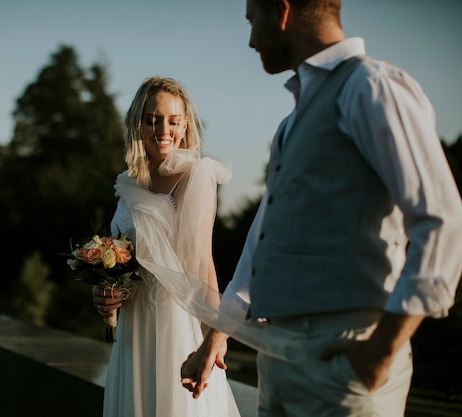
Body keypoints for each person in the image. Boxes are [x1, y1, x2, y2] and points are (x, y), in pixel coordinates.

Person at [180, 1, 462, 416]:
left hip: (345, 360)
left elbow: (441, 220)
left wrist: (381, 351)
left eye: (252, 20)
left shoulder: (371, 87)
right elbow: (262, 246)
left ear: (281, 11)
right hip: (275, 359)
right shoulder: (290, 123)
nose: (251, 40)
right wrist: (217, 338)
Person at [92, 76, 241, 417]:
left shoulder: (196, 176)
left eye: (173, 121)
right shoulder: (129, 181)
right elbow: (121, 260)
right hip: (132, 335)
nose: (163, 130)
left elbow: (202, 264)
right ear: (138, 123)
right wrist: (105, 295)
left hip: (175, 329)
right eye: (152, 120)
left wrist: (212, 340)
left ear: (185, 125)